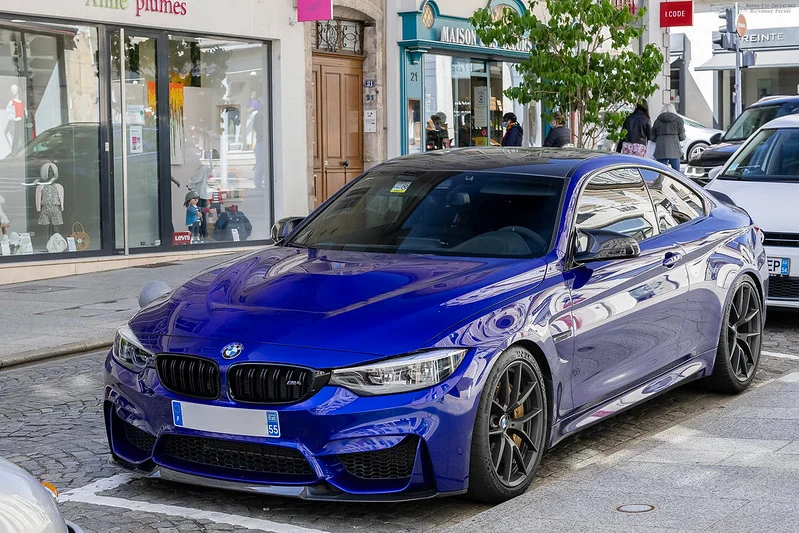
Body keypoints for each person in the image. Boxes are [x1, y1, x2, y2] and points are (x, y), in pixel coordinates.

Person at [651, 103, 686, 171]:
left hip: (661, 150)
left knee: (661, 173)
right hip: (675, 150)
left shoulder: (657, 121)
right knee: (676, 174)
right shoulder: (679, 120)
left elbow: (652, 137)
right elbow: (682, 137)